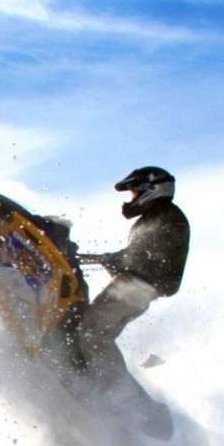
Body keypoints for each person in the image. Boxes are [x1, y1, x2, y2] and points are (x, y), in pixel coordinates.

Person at [74, 165, 189, 391]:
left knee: (92, 332)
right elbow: (145, 254)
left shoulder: (168, 217)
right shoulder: (157, 217)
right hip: (138, 288)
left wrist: (119, 259)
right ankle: (93, 378)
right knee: (91, 329)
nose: (132, 198)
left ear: (150, 189)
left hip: (135, 287)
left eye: (135, 192)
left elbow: (151, 253)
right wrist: (114, 260)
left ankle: (117, 396)